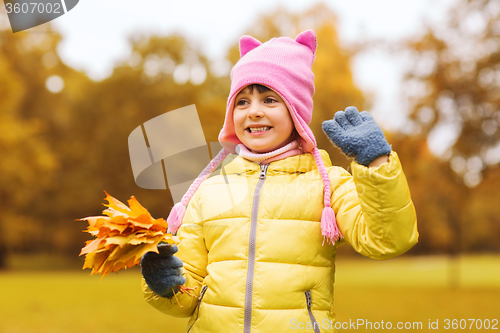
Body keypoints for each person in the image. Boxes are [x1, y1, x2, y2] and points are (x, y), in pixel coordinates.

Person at [140, 30, 418, 333]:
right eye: (242, 102)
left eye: (270, 99)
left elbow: (387, 240)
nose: (254, 111)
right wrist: (166, 285)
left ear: (296, 111)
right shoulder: (209, 192)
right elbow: (187, 297)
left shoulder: (328, 186)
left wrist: (375, 163)